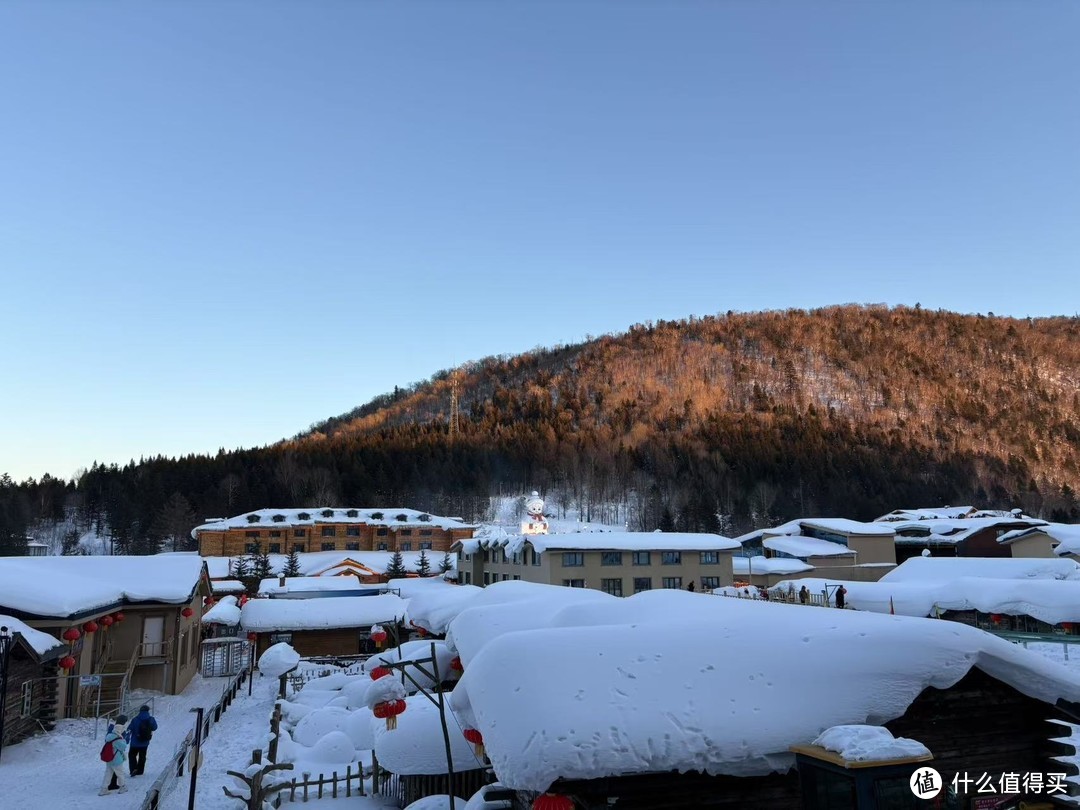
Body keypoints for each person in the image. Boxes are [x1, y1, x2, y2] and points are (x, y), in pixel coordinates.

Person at [99, 715, 129, 795]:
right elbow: (123, 747)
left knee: (108, 774)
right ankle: (122, 787)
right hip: (116, 759)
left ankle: (104, 789)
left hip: (109, 759)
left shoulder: (109, 736)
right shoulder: (118, 739)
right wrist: (124, 739)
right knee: (120, 773)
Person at [127, 704, 158, 777]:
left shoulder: (135, 719)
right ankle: (140, 771)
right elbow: (155, 727)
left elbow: (130, 728)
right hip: (145, 742)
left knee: (132, 755)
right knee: (142, 756)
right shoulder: (151, 719)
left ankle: (133, 769)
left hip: (134, 742)